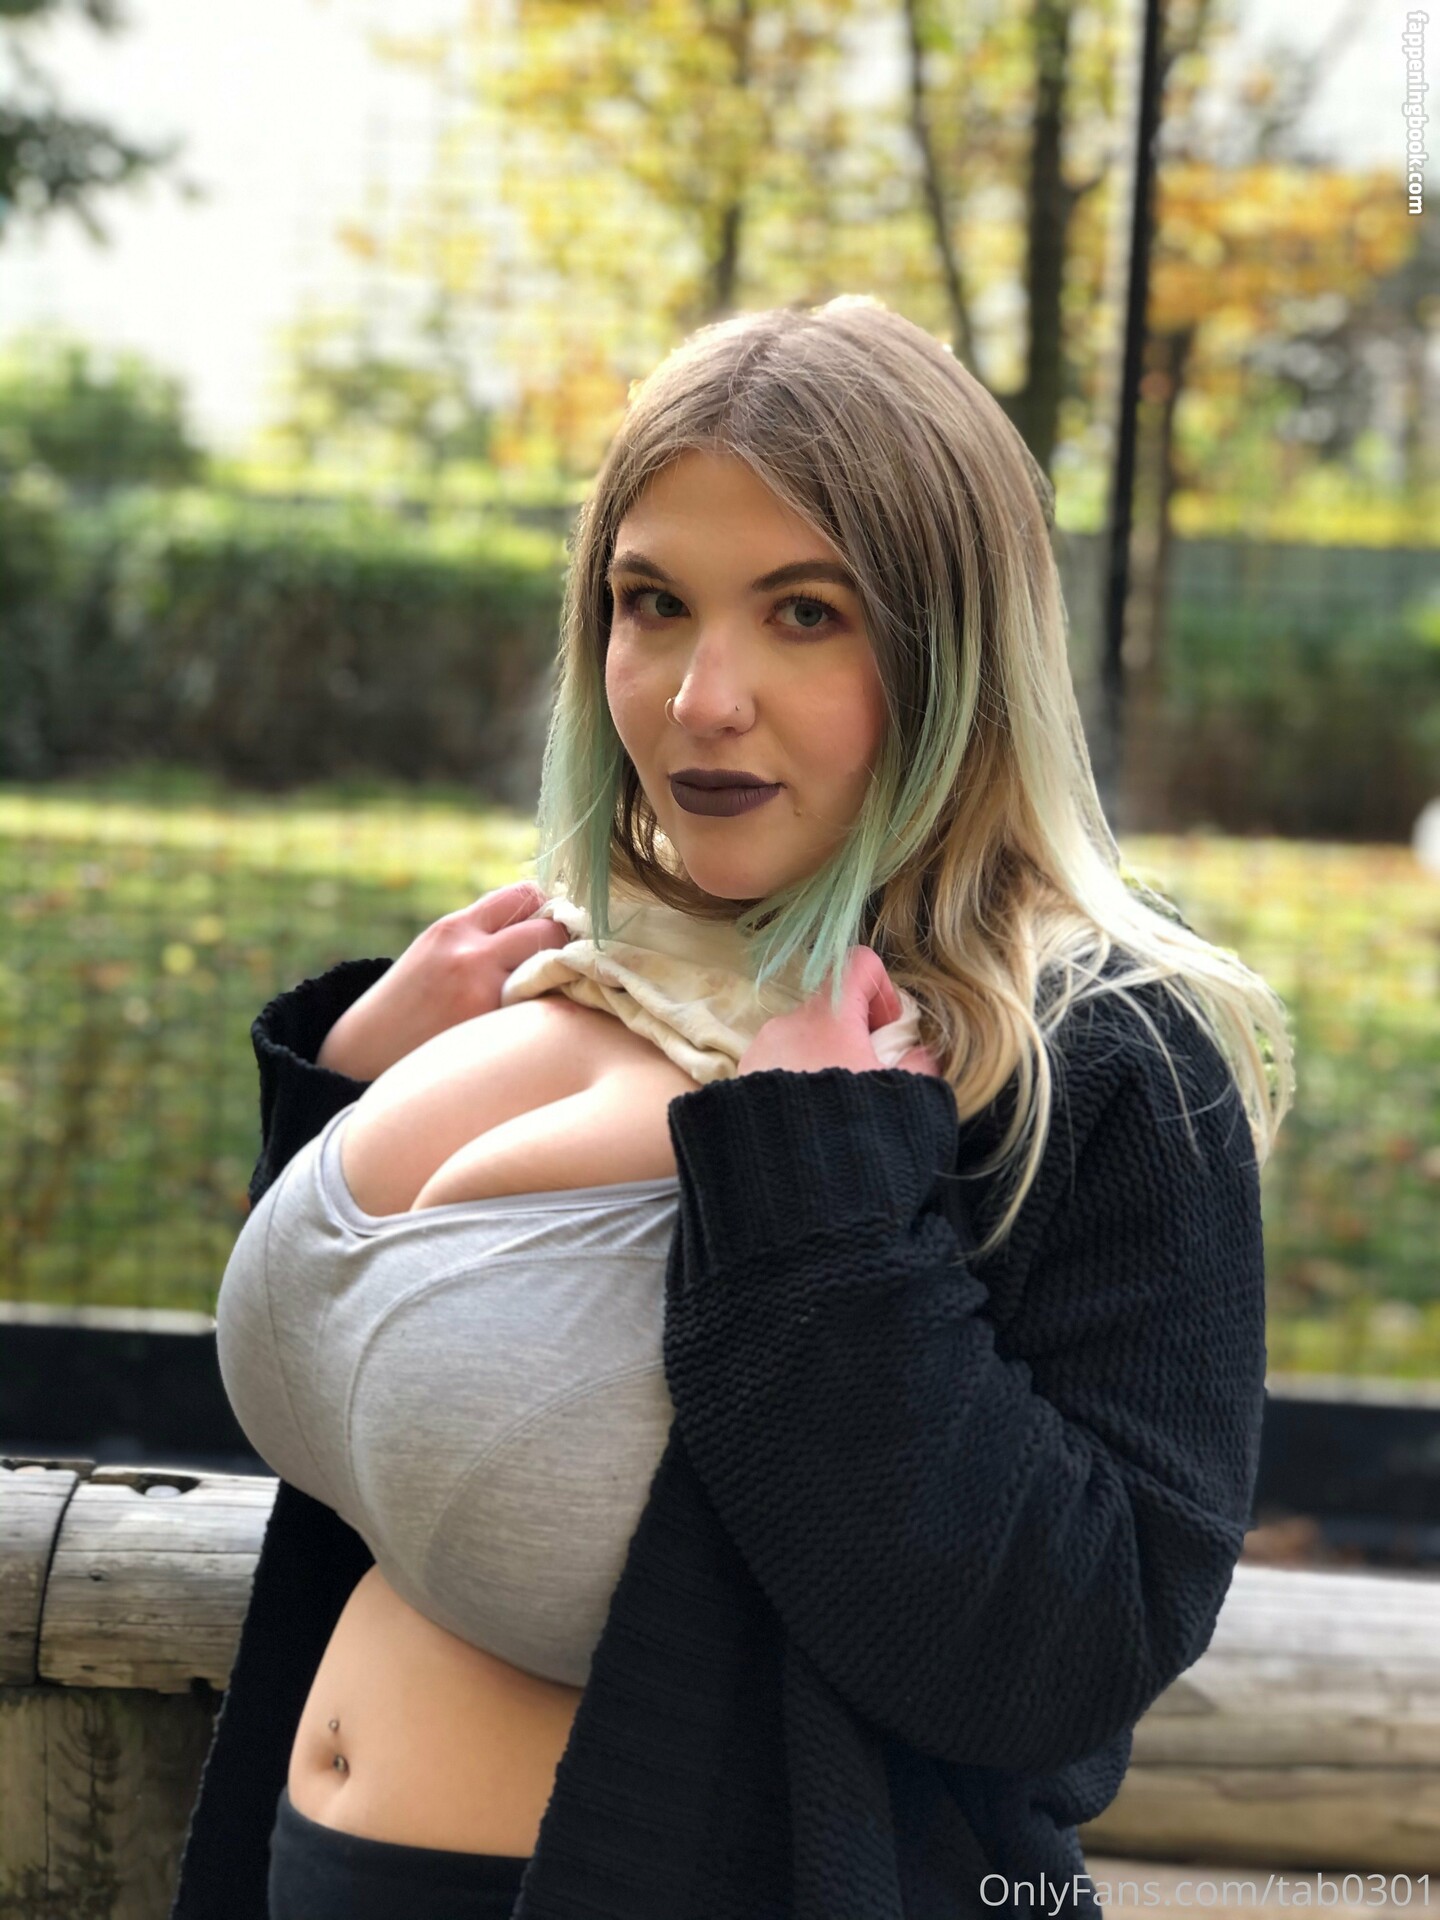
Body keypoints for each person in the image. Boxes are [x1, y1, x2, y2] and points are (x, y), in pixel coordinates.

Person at [167, 292, 1294, 1920]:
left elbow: (1073, 1652)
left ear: (958, 646)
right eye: (653, 602)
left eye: (806, 614)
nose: (703, 697)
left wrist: (823, 1211)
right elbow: (399, 1395)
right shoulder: (601, 948)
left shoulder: (1092, 1052)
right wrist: (349, 1091)